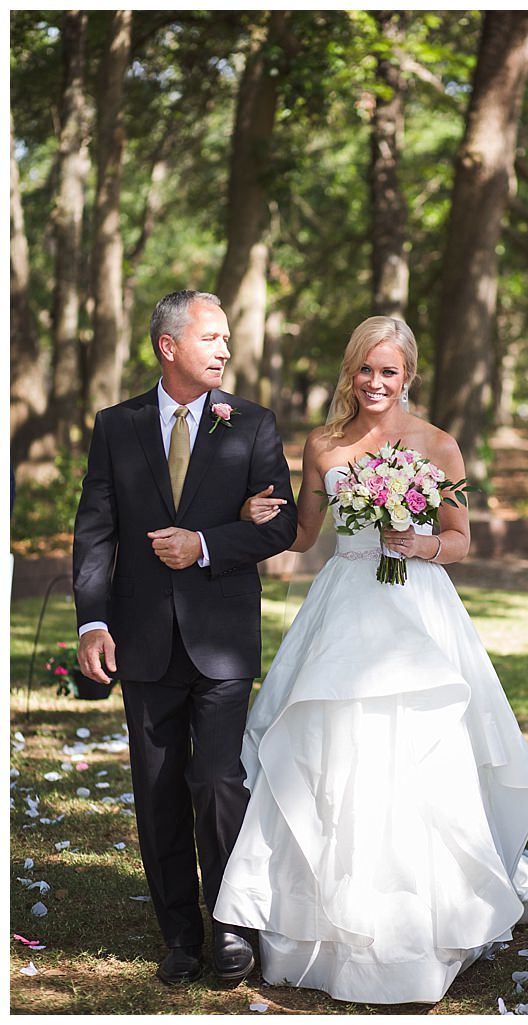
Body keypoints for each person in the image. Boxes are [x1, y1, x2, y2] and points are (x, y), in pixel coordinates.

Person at [213, 316, 528, 1005]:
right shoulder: (321, 445)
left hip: (416, 607)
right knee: (326, 750)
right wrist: (250, 516)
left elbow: (462, 539)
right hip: (342, 600)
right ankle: (312, 916)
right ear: (351, 372)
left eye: (389, 371)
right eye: (365, 370)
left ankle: (423, 918)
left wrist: (417, 542)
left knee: (419, 752)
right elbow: (307, 533)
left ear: (409, 375)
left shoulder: (438, 446)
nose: (375, 383)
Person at [72, 290, 297, 987]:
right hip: (141, 640)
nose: (225, 350)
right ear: (168, 345)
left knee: (218, 777)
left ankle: (231, 924)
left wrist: (203, 541)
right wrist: (92, 619)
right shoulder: (117, 425)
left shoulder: (252, 424)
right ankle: (180, 933)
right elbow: (96, 530)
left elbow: (279, 526)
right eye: (211, 338)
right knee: (158, 785)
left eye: (227, 338)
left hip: (223, 638)